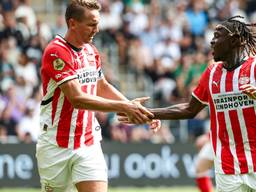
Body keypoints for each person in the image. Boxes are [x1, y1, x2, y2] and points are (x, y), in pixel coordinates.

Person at [119, 15, 256, 192]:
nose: (212, 42)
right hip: (227, 167)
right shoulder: (212, 74)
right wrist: (147, 113)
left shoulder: (253, 68)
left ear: (235, 40)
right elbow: (190, 109)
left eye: (217, 36)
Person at [36, 1, 160, 192]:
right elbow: (76, 98)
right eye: (91, 24)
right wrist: (125, 108)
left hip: (87, 141)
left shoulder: (91, 51)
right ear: (72, 23)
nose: (97, 29)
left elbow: (101, 86)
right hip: (56, 144)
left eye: (98, 23)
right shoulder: (56, 51)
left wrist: (135, 108)